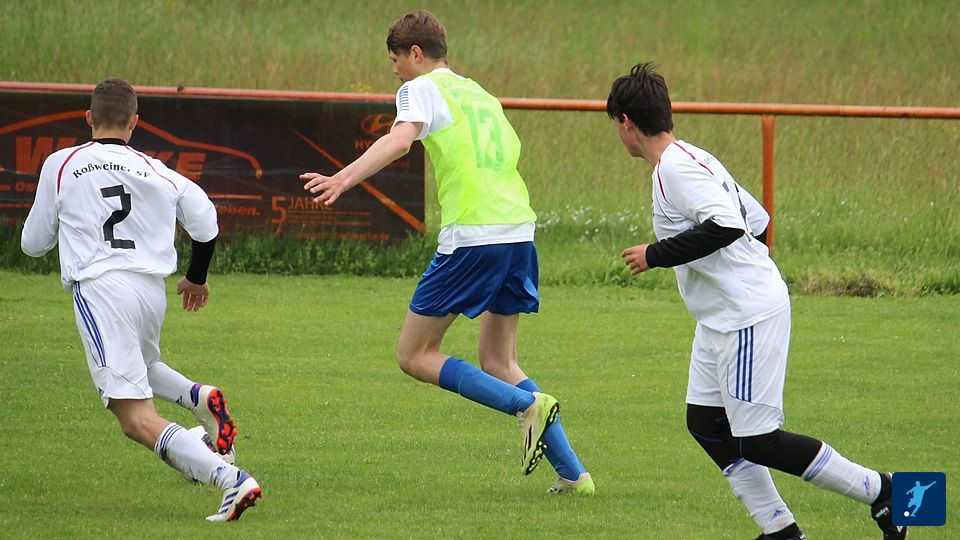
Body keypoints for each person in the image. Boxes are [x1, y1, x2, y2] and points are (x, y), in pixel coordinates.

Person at [605, 62, 905, 539]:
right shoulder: (690, 157)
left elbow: (727, 225)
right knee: (706, 423)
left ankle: (887, 492)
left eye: (615, 125)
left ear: (625, 122)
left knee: (759, 440)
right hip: (720, 318)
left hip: (743, 317)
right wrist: (741, 277)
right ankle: (781, 531)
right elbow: (758, 219)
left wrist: (656, 255)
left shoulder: (675, 170)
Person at [301, 9, 593, 493]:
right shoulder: (480, 93)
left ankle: (526, 406)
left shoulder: (420, 88)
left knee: (414, 354)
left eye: (396, 59)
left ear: (416, 53)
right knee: (499, 361)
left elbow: (400, 140)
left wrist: (342, 179)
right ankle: (574, 475)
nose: (395, 70)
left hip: (474, 235)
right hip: (518, 232)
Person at [21, 77, 261, 522]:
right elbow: (205, 218)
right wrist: (196, 277)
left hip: (102, 289)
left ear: (89, 118)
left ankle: (231, 480)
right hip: (150, 291)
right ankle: (199, 397)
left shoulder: (62, 162)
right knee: (143, 368)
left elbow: (32, 245)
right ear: (134, 122)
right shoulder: (156, 169)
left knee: (134, 418)